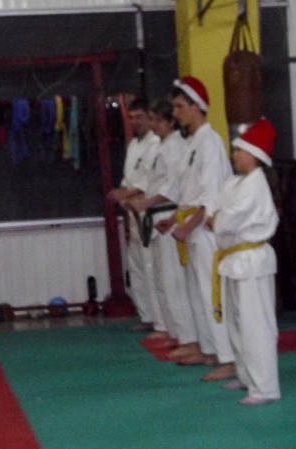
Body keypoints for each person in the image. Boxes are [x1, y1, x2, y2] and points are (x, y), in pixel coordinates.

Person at [167, 76, 236, 382]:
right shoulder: (191, 142)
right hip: (190, 224)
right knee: (196, 292)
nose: (176, 113)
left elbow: (210, 195)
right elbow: (187, 191)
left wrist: (189, 226)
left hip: (205, 227)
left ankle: (229, 357)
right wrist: (174, 220)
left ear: (197, 106)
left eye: (180, 106)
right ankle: (209, 349)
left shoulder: (211, 142)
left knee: (213, 293)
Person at [212, 118, 281, 406]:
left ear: (254, 155)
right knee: (238, 324)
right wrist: (216, 218)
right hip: (235, 259)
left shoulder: (255, 184)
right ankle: (246, 375)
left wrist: (217, 220)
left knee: (256, 326)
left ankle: (265, 387)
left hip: (252, 259)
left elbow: (225, 219)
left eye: (239, 151)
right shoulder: (237, 182)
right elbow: (217, 210)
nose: (234, 155)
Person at [129, 98, 199, 357]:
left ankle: (187, 337)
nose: (154, 124)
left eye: (158, 120)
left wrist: (147, 202)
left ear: (170, 122)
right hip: (159, 215)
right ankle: (174, 331)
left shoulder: (176, 147)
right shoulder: (163, 146)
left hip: (169, 212)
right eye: (153, 119)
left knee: (173, 281)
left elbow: (172, 186)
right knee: (162, 280)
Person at [106, 97, 163, 335]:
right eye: (131, 117)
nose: (135, 122)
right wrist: (122, 195)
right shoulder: (133, 146)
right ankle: (147, 316)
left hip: (150, 211)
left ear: (150, 118)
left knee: (152, 268)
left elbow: (150, 183)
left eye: (140, 117)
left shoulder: (156, 144)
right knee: (137, 267)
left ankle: (161, 323)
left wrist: (125, 194)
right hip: (132, 213)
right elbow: (128, 180)